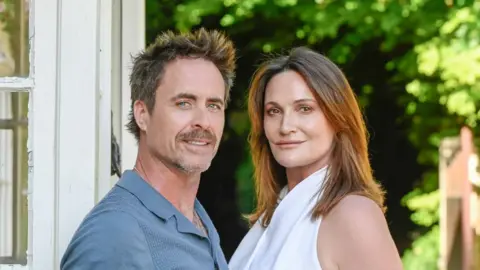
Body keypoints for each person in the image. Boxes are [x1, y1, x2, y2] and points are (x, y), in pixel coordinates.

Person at [60, 28, 236, 270]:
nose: (203, 121)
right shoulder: (114, 235)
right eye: (184, 103)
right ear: (142, 114)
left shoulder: (196, 218)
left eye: (213, 105)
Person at [229, 47, 403, 270]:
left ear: (337, 118)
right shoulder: (273, 216)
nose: (286, 126)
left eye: (304, 108)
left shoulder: (353, 214)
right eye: (274, 111)